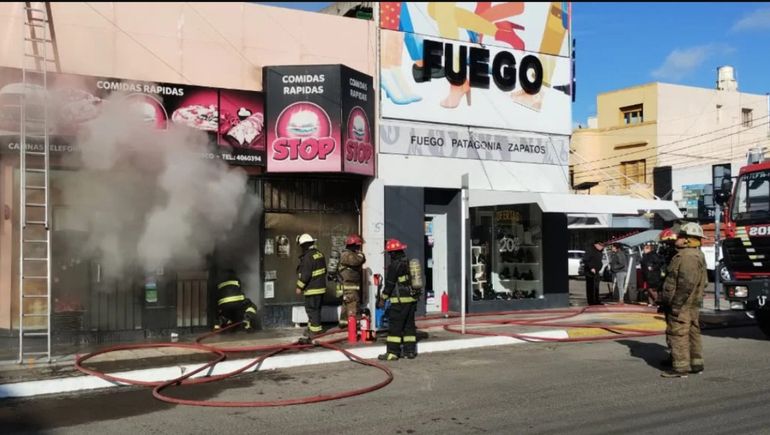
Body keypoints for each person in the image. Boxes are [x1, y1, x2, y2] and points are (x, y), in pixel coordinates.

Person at [659, 222, 708, 378]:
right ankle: (695, 363)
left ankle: (680, 367)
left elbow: (686, 283)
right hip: (692, 302)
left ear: (688, 240)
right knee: (693, 331)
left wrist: (676, 304)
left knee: (678, 332)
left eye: (680, 236)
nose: (676, 238)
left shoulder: (687, 257)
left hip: (683, 303)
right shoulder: (696, 254)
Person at [378, 239, 418, 361]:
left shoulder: (394, 265)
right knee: (409, 326)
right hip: (411, 300)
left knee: (395, 327)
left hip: (399, 302)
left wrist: (382, 299)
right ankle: (410, 351)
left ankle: (392, 352)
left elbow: (389, 285)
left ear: (394, 253)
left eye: (390, 253)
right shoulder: (409, 262)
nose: (389, 255)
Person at [295, 233, 327, 344]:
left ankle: (315, 331)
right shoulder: (319, 254)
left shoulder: (308, 257)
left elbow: (305, 275)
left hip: (312, 289)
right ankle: (312, 328)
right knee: (316, 310)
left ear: (304, 245)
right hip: (320, 288)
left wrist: (299, 287)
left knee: (311, 310)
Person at [337, 234, 367, 328]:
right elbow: (358, 260)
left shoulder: (349, 254)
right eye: (357, 245)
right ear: (352, 245)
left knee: (347, 303)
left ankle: (344, 324)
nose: (358, 247)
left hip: (350, 284)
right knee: (353, 303)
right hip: (349, 285)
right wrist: (361, 254)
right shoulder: (347, 255)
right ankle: (353, 326)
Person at [640, 242, 664, 306]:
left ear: (649, 249)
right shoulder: (645, 256)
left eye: (645, 249)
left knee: (652, 288)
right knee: (648, 289)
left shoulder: (653, 255)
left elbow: (659, 263)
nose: (644, 250)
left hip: (653, 275)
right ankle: (651, 302)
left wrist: (652, 268)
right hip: (647, 274)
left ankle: (657, 301)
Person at [582, 240, 605, 306]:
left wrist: (600, 266)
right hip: (589, 272)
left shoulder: (600, 251)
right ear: (596, 245)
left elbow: (599, 261)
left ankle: (597, 300)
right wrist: (591, 267)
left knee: (596, 287)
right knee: (590, 287)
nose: (602, 248)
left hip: (597, 271)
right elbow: (585, 260)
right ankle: (591, 301)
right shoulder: (590, 250)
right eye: (601, 246)